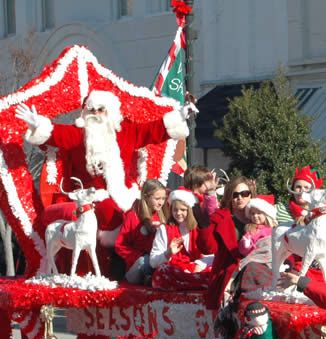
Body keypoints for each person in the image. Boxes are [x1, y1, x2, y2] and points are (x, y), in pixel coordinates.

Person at [15, 90, 194, 233]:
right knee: (111, 211)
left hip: (125, 191)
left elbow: (153, 130)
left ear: (110, 112)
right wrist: (37, 124)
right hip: (92, 195)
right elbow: (55, 133)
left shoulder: (126, 132)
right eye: (92, 110)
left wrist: (180, 115)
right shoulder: (79, 134)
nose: (96, 114)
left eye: (101, 110)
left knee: (145, 210)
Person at [198, 176, 256, 311]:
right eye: (235, 195)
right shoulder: (221, 218)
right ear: (229, 197)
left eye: (245, 194)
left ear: (251, 195)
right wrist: (204, 225)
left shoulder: (259, 216)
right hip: (228, 275)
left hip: (254, 275)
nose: (240, 198)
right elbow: (208, 248)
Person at [150, 188, 210, 290]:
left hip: (196, 270)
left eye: (182, 210)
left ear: (189, 210)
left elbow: (211, 254)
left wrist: (198, 265)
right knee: (161, 272)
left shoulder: (199, 229)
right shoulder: (164, 229)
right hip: (175, 271)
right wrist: (168, 253)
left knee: (214, 271)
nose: (178, 213)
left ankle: (188, 284)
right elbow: (153, 262)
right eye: (175, 210)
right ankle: (195, 285)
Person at [114, 180, 168, 285]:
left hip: (157, 261)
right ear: (146, 197)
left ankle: (153, 279)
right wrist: (139, 256)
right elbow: (120, 245)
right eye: (157, 199)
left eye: (163, 199)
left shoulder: (162, 214)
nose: (161, 202)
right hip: (137, 266)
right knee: (145, 261)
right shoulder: (133, 216)